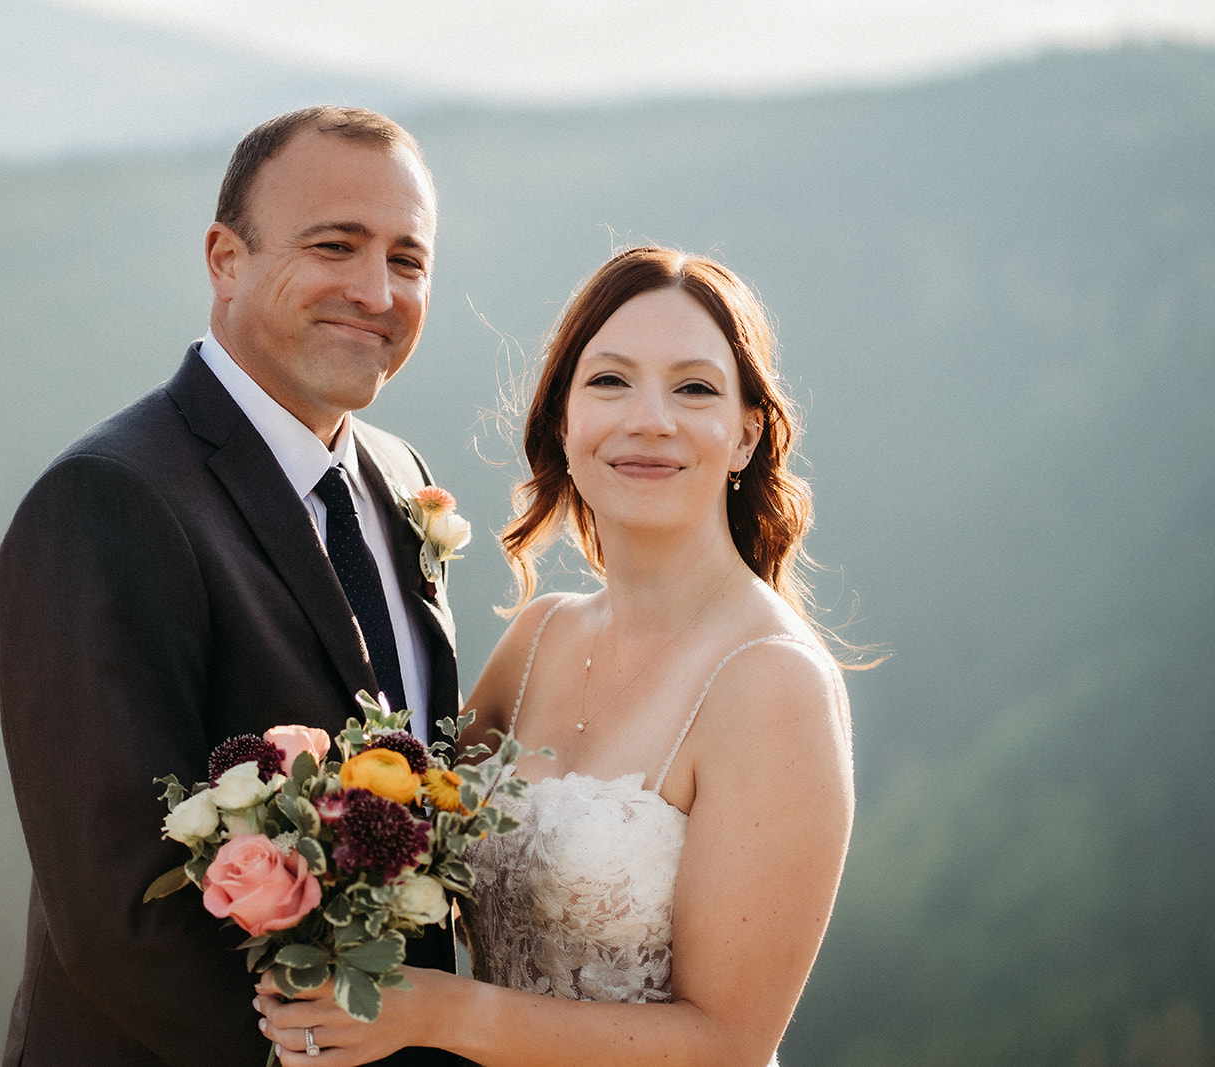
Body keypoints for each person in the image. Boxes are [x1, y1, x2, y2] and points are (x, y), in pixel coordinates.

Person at [254, 246, 855, 1066]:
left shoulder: (773, 681)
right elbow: (399, 828)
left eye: (695, 387)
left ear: (746, 434)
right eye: (610, 381)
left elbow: (728, 1041)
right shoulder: (537, 639)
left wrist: (441, 1013)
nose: (650, 417)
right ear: (564, 421)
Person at [0, 107, 466, 1066]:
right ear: (225, 258)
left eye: (407, 260)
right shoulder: (106, 500)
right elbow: (124, 922)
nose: (376, 290)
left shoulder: (400, 476)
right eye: (336, 244)